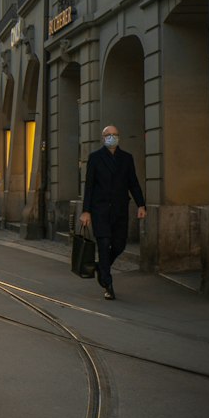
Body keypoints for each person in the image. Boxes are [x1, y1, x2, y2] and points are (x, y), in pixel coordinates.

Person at [80, 123, 147, 300]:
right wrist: (86, 211)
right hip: (100, 209)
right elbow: (89, 186)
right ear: (103, 138)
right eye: (109, 134)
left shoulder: (126, 158)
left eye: (115, 134)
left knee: (119, 244)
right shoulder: (95, 158)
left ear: (119, 137)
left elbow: (133, 183)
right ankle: (107, 284)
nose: (112, 137)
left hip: (120, 209)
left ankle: (101, 267)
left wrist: (141, 205)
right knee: (103, 244)